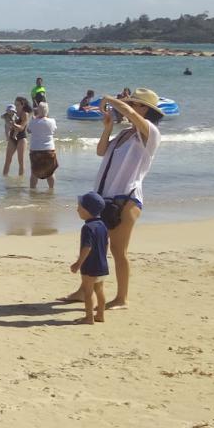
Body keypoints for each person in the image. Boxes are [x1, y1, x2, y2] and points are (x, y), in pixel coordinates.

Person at [62, 88, 163, 309]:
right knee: (94, 246)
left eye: (134, 104)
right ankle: (83, 291)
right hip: (104, 197)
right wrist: (107, 129)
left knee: (118, 250)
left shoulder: (150, 133)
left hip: (126, 199)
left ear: (143, 108)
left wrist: (109, 100)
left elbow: (131, 114)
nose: (129, 108)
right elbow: (101, 151)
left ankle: (122, 298)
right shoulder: (126, 133)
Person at [70, 191, 110, 325]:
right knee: (100, 290)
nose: (77, 210)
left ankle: (89, 318)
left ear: (87, 210)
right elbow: (106, 244)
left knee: (88, 292)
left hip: (91, 265)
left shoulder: (87, 228)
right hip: (102, 265)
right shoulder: (103, 225)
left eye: (79, 207)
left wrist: (78, 263)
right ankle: (100, 315)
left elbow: (87, 247)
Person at [27, 101, 58, 190]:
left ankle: (32, 190)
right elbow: (53, 130)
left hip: (36, 150)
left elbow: (28, 131)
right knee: (50, 173)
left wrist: (35, 118)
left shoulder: (34, 122)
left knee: (34, 173)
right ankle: (51, 189)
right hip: (49, 149)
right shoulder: (52, 121)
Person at [1, 97, 29, 176]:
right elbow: (4, 119)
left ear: (22, 105)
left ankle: (20, 181)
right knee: (7, 160)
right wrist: (7, 122)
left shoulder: (25, 114)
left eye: (18, 105)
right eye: (15, 104)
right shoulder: (12, 112)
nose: (16, 106)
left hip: (22, 138)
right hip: (12, 138)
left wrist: (13, 124)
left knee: (21, 161)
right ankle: (4, 178)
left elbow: (21, 128)